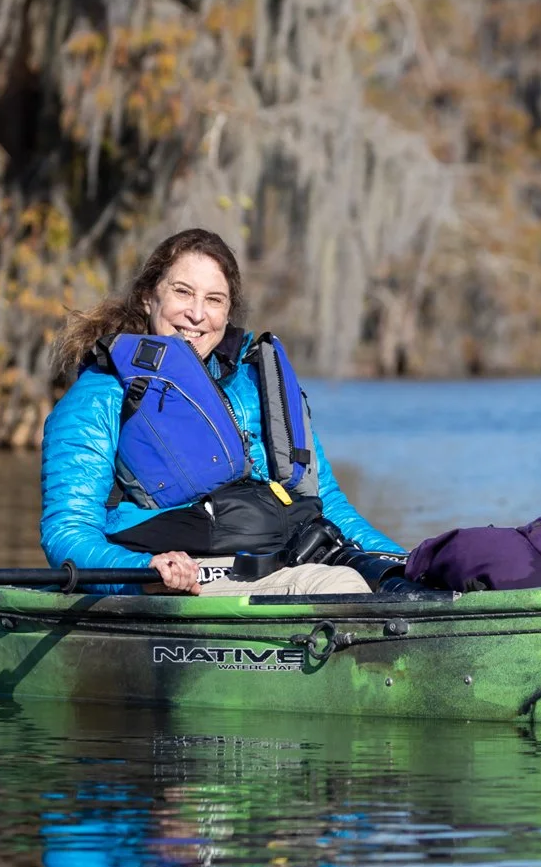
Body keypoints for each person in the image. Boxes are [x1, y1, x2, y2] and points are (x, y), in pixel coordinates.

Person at [41, 228, 405, 595]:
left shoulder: (257, 384)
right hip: (184, 582)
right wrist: (145, 569)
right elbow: (67, 530)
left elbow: (329, 505)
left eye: (214, 300)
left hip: (293, 560)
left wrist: (404, 563)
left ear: (228, 312)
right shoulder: (100, 394)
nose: (197, 314)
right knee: (342, 587)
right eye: (182, 292)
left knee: (436, 571)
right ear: (149, 298)